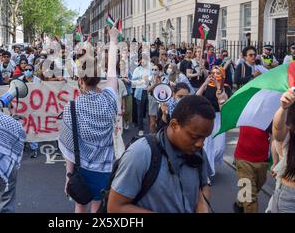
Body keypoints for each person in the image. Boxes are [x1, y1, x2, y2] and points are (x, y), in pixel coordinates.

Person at [107, 96, 214, 213]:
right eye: (194, 137)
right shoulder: (141, 153)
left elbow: (204, 185)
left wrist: (202, 206)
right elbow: (115, 207)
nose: (201, 144)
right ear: (174, 125)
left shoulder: (196, 150)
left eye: (204, 138)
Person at [58, 26, 119, 213]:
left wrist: (69, 175)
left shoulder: (72, 107)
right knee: (97, 207)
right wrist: (113, 40)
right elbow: (112, 74)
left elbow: (69, 146)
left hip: (82, 167)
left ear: (80, 80)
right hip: (105, 168)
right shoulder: (110, 99)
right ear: (98, 79)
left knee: (80, 205)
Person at [197, 66, 231, 177]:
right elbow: (196, 97)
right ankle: (207, 172)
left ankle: (208, 165)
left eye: (218, 73)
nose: (214, 75)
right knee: (207, 146)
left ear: (222, 75)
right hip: (206, 117)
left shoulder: (226, 88)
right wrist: (205, 83)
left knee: (219, 148)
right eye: (213, 72)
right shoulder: (206, 86)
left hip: (219, 118)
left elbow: (223, 105)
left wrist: (218, 86)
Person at [131, 56, 151, 137]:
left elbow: (153, 78)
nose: (143, 62)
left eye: (145, 61)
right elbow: (133, 81)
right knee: (140, 111)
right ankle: (141, 129)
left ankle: (151, 128)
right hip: (140, 92)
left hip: (149, 91)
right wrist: (141, 78)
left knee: (150, 111)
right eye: (142, 61)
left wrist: (149, 79)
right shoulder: (137, 69)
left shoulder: (150, 69)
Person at [147, 64, 168, 134]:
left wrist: (159, 81)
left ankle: (160, 136)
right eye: (152, 69)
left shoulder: (165, 78)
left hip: (162, 100)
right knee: (152, 123)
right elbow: (148, 89)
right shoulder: (150, 78)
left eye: (155, 70)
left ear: (160, 71)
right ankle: (152, 136)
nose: (154, 71)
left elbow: (164, 89)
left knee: (161, 121)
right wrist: (155, 83)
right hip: (152, 99)